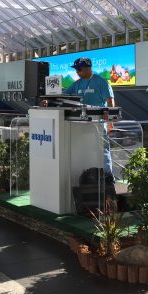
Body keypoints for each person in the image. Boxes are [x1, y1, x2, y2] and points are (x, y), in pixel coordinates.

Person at [64, 57, 116, 207]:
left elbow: (110, 102)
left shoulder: (101, 81)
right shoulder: (77, 84)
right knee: (86, 152)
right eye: (75, 69)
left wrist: (110, 121)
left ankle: (108, 181)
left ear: (88, 68)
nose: (77, 72)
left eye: (79, 69)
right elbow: (63, 95)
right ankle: (90, 179)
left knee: (103, 152)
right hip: (81, 127)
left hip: (99, 125)